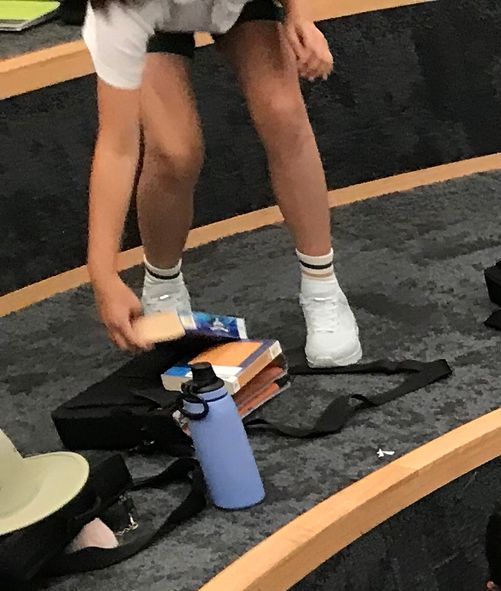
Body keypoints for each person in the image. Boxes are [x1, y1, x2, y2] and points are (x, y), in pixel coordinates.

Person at [81, 0, 363, 365]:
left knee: (282, 111)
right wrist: (103, 276)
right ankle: (163, 287)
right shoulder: (118, 13)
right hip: (150, 13)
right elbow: (116, 148)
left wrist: (300, 15)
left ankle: (322, 288)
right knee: (175, 151)